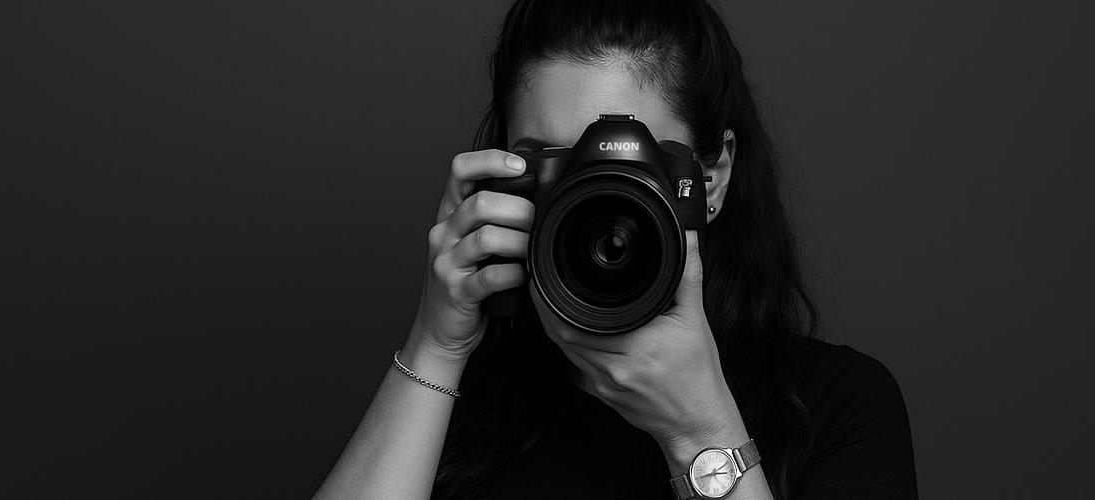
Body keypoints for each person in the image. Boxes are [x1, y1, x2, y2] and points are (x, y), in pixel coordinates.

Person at [314, 1, 917, 498]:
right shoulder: (452, 409)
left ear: (710, 180)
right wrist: (436, 346)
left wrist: (699, 429)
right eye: (553, 162)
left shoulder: (838, 407)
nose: (595, 201)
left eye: (627, 166)